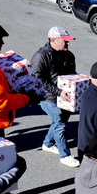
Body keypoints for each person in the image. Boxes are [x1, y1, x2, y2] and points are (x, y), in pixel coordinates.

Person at [31, 26, 80, 168]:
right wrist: (58, 92)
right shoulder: (41, 56)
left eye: (69, 41)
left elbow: (72, 74)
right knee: (60, 123)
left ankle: (47, 144)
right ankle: (65, 155)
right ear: (53, 40)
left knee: (60, 121)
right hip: (48, 97)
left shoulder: (69, 55)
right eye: (65, 41)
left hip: (66, 97)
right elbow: (38, 80)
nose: (68, 43)